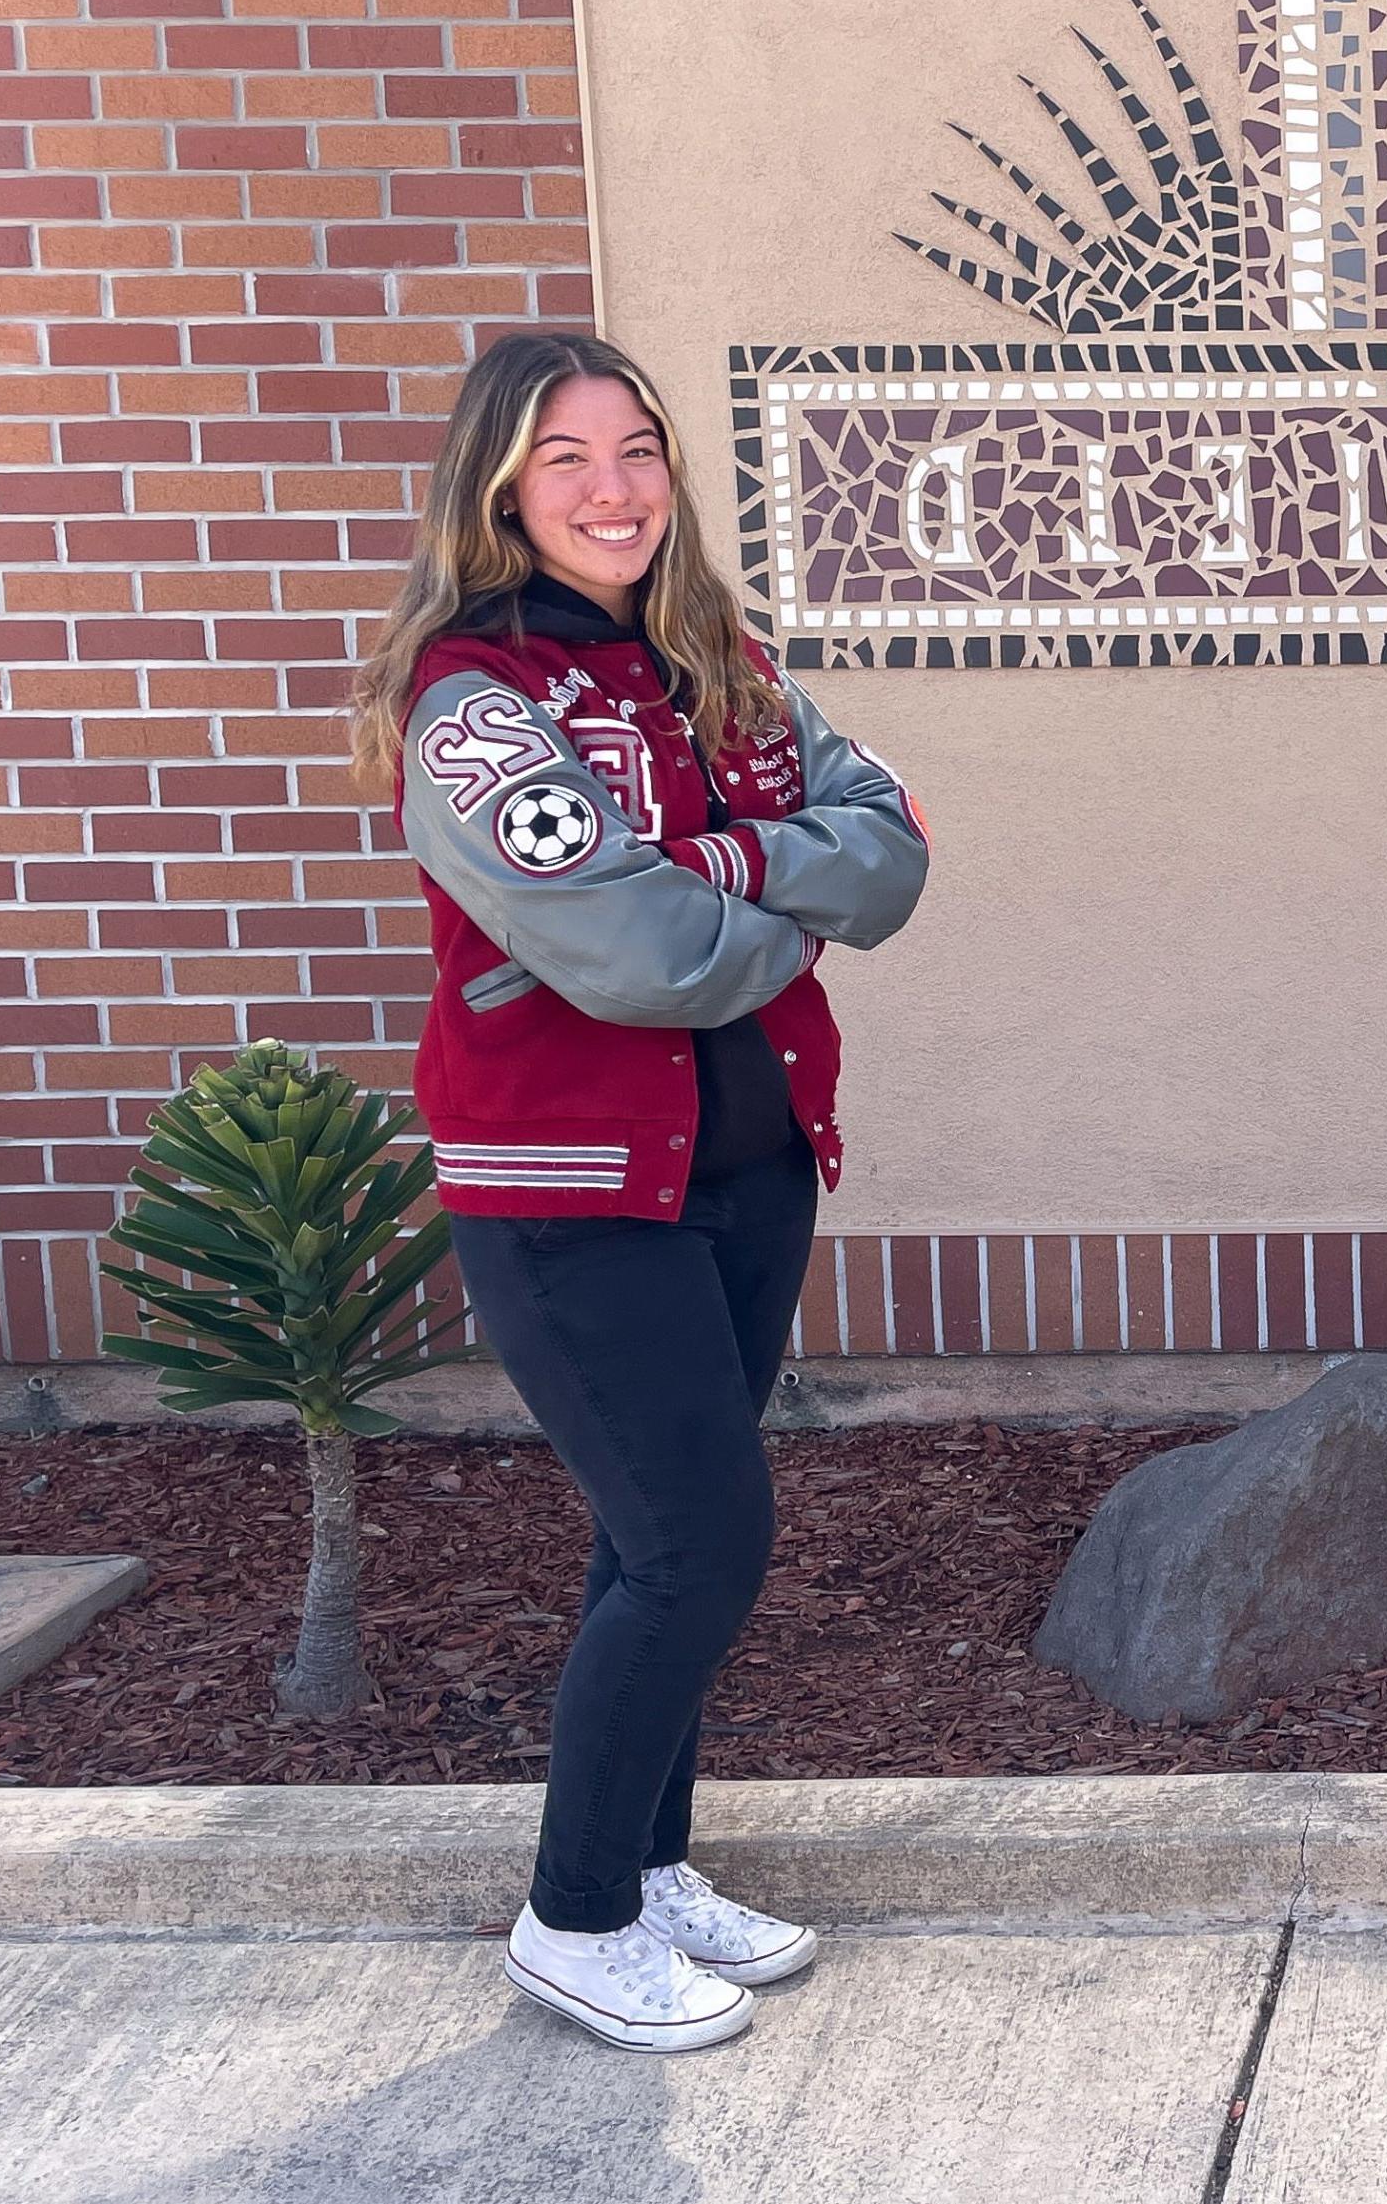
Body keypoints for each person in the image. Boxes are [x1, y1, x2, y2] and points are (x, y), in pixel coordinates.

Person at [351, 332, 930, 2052]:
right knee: (700, 1540)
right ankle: (573, 1915)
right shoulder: (476, 705)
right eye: (563, 459)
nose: (612, 489)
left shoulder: (724, 664)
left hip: (749, 1172)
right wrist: (751, 902)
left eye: (637, 450)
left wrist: (725, 864)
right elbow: (632, 949)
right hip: (570, 1193)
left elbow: (890, 846)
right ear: (499, 492)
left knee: (647, 1540)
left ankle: (647, 1864)